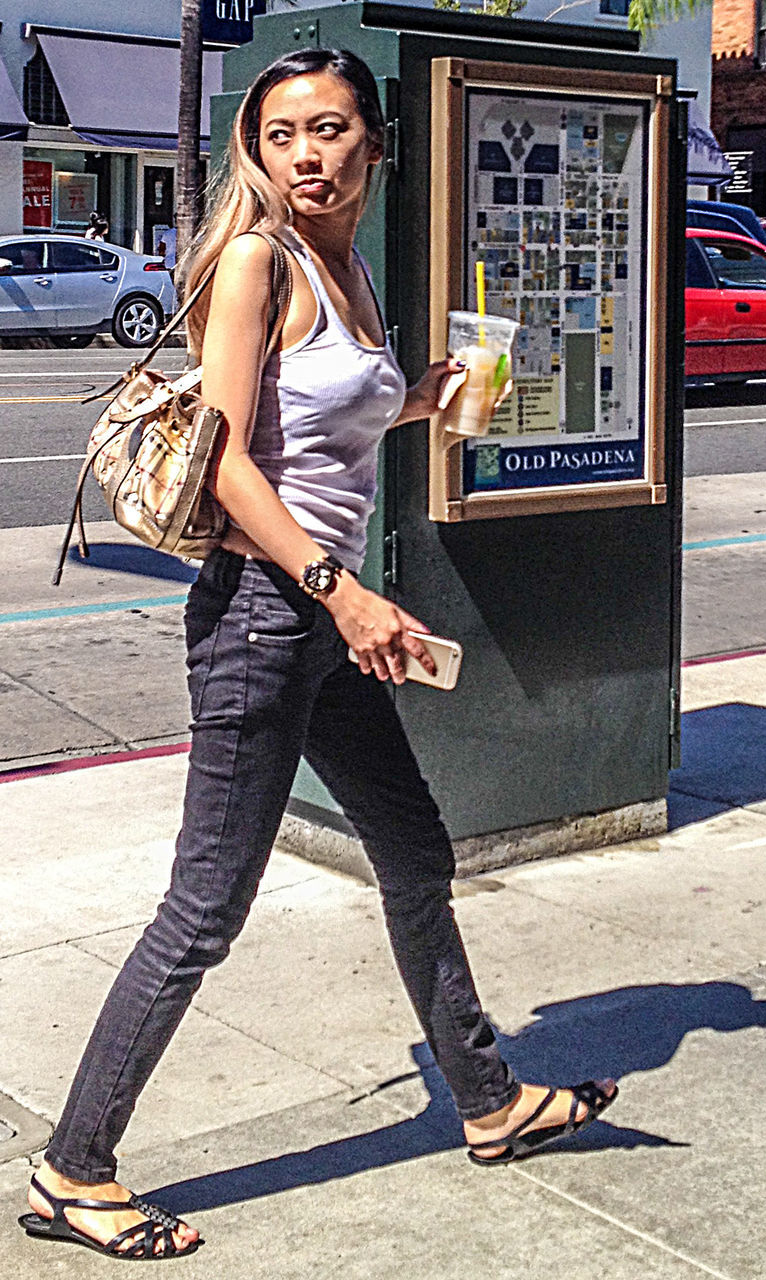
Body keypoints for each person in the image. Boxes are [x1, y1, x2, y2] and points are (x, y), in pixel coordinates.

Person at [19, 48, 616, 1262]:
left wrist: (420, 395)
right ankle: (74, 1167)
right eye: (282, 132)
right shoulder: (256, 259)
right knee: (203, 907)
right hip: (267, 614)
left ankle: (487, 1098)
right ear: (256, 147)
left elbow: (319, 420)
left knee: (412, 849)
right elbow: (228, 459)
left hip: (320, 621)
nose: (305, 153)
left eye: (330, 129)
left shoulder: (345, 268)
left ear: (372, 146)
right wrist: (343, 592)